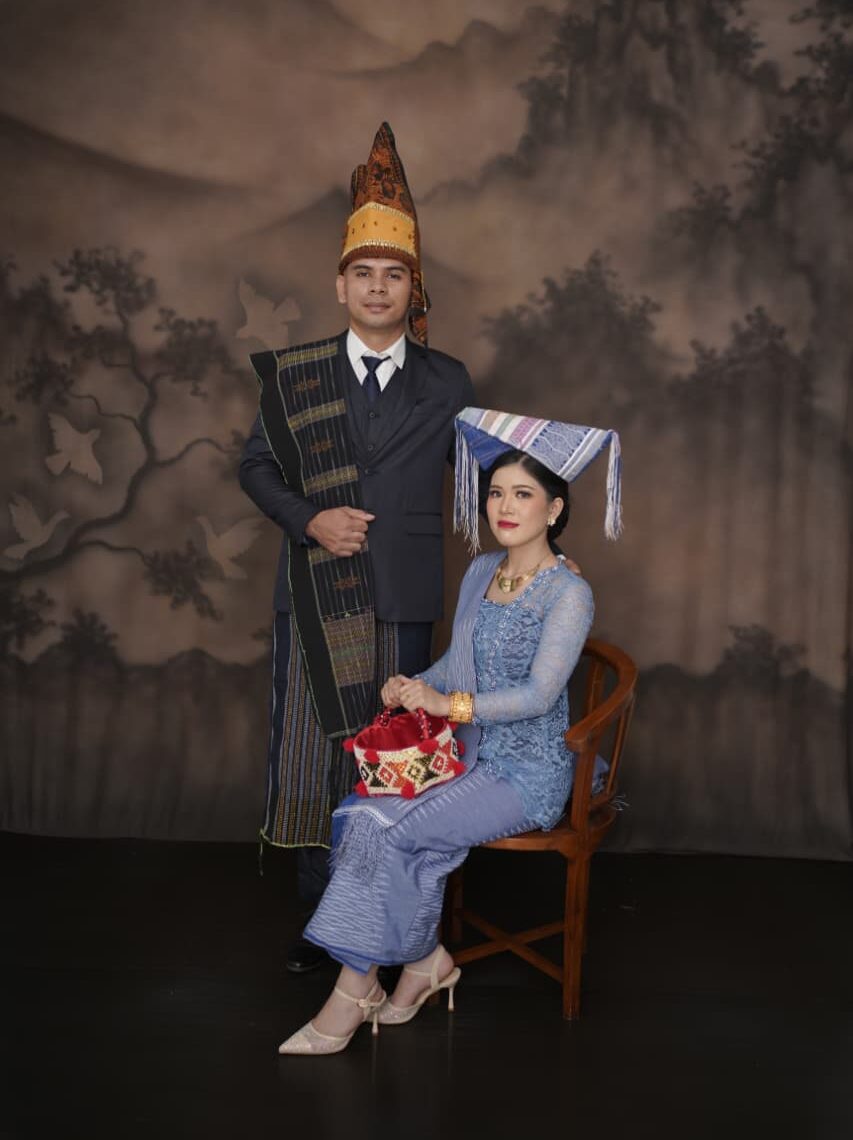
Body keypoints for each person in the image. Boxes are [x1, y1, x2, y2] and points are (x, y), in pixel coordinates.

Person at [277, 408, 622, 1055]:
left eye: (523, 494)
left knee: (395, 830)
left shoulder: (567, 594)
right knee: (359, 814)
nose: (504, 506)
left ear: (553, 509)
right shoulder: (480, 572)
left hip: (524, 771)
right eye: (496, 493)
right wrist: (412, 684)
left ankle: (353, 990)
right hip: (463, 753)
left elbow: (539, 696)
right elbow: (457, 665)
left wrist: (447, 703)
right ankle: (423, 961)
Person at [238, 122, 475, 973]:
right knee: (314, 758)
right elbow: (256, 466)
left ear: (414, 288)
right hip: (315, 587)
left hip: (404, 593)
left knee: (390, 760)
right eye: (364, 273)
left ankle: (389, 925)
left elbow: (483, 476)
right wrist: (309, 520)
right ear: (340, 285)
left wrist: (543, 538)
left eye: (394, 274)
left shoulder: (448, 378)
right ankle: (322, 928)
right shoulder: (295, 375)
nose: (378, 287)